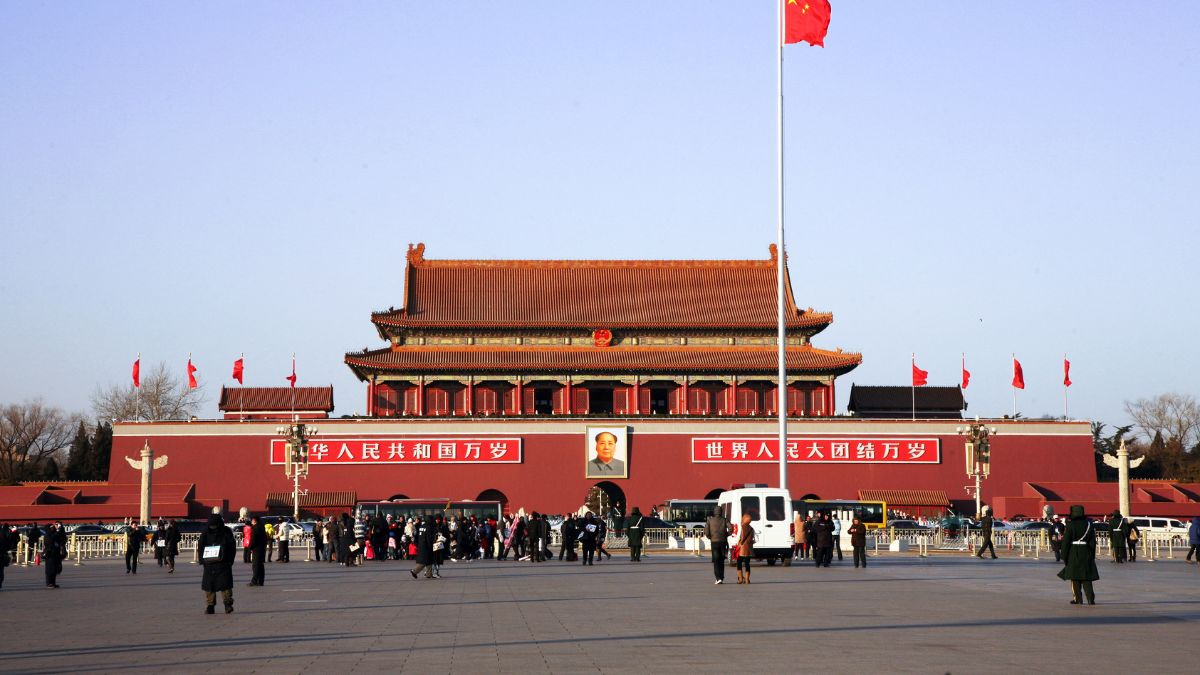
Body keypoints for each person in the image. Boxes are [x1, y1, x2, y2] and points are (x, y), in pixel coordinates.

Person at [1057, 505, 1098, 605]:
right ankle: (1090, 599)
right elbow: (1093, 542)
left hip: (1073, 551)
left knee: (1075, 577)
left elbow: (1066, 542)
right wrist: (1092, 554)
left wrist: (1064, 555)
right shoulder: (1089, 525)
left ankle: (1078, 599)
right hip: (1086, 551)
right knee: (1086, 577)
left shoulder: (1070, 525)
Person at [197, 514, 236, 613]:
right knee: (209, 586)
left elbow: (232, 547)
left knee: (225, 586)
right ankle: (210, 606)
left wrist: (230, 560)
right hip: (209, 564)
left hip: (223, 563)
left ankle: (227, 604)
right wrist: (202, 560)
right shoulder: (205, 533)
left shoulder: (226, 532)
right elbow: (200, 547)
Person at [705, 506, 730, 584]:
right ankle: (721, 577)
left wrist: (710, 537)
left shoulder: (709, 520)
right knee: (721, 560)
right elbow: (731, 528)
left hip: (714, 542)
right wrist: (726, 534)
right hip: (723, 541)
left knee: (716, 560)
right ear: (721, 512)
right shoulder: (725, 520)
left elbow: (706, 532)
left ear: (714, 512)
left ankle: (718, 578)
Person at [42, 521, 67, 588]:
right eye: (51, 527)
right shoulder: (47, 535)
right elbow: (51, 540)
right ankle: (49, 583)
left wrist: (61, 528)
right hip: (50, 554)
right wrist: (57, 531)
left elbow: (63, 538)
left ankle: (53, 583)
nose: (53, 528)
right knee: (49, 569)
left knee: (55, 569)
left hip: (56, 554)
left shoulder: (56, 534)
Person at [248, 515, 267, 586]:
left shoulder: (255, 528)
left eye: (252, 520)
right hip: (262, 548)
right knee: (260, 565)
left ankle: (254, 581)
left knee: (255, 565)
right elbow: (265, 538)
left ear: (254, 520)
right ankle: (261, 581)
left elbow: (253, 539)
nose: (251, 522)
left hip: (256, 549)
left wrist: (250, 547)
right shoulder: (262, 527)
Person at [736, 514, 754, 584]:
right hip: (749, 549)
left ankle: (740, 579)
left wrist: (739, 544)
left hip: (742, 548)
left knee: (739, 562)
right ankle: (747, 579)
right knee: (747, 563)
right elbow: (755, 539)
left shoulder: (741, 527)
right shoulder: (752, 529)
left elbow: (739, 537)